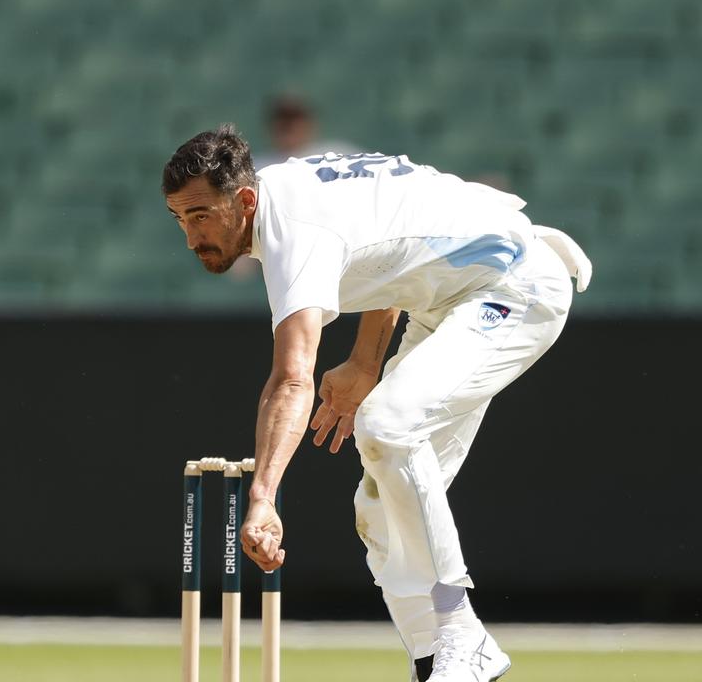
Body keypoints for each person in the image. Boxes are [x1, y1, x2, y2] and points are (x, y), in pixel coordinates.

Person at [160, 126, 591, 682]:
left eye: (200, 217)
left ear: (243, 200)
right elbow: (386, 259)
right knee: (381, 507)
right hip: (446, 300)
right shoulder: (283, 191)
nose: (191, 238)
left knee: (387, 424)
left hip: (515, 285)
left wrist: (263, 497)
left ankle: (462, 632)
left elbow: (292, 380)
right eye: (179, 220)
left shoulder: (291, 230)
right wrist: (365, 363)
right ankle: (435, 663)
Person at [253, 94, 362, 169]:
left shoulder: (340, 155)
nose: (289, 125)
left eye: (295, 118)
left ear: (311, 123)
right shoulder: (255, 167)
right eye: (282, 118)